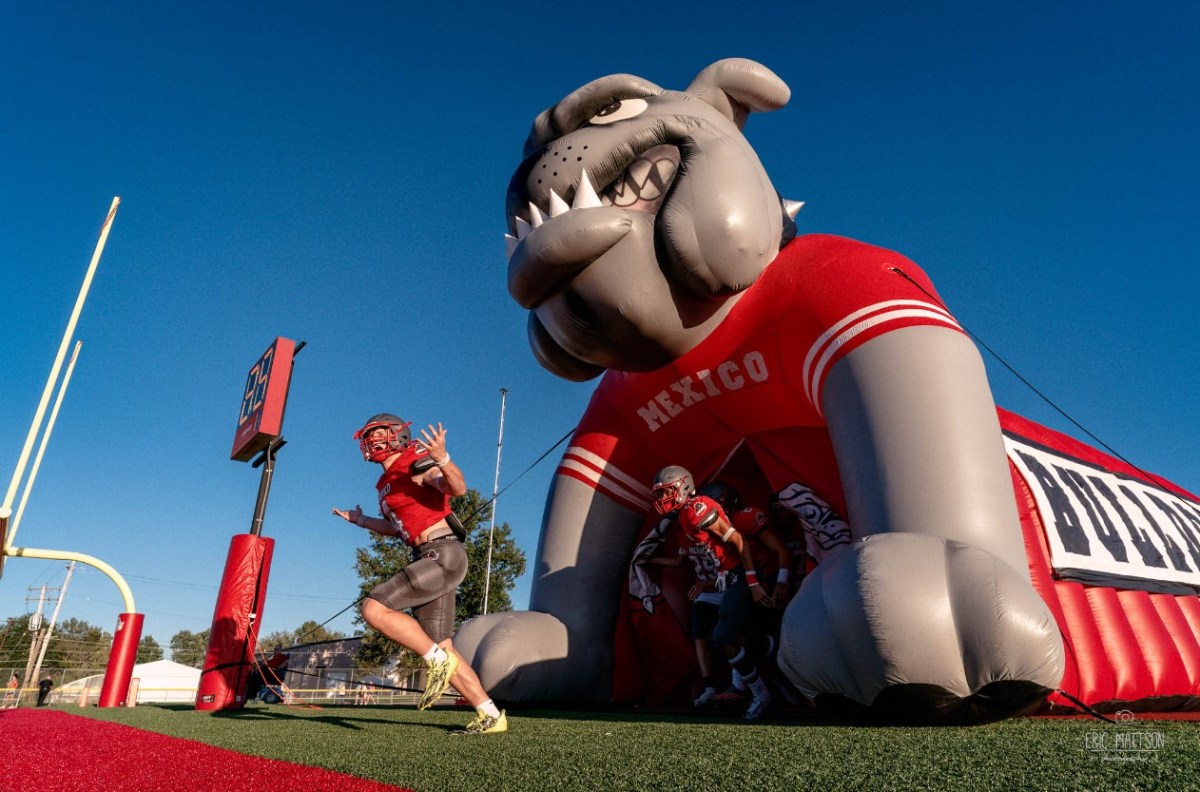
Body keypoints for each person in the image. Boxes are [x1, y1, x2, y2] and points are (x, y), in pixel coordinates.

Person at [333, 413, 506, 735]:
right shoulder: (384, 484)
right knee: (444, 647)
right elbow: (397, 529)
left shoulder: (413, 459)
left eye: (379, 433)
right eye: (368, 435)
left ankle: (435, 660)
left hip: (442, 552)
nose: (372, 440)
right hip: (425, 554)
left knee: (374, 608)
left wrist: (443, 458)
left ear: (398, 434)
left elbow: (455, 487)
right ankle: (490, 714)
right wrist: (360, 520)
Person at [650, 465, 778, 721]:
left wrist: (752, 582)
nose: (662, 499)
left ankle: (762, 694)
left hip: (741, 576)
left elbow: (739, 541)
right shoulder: (683, 520)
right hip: (728, 579)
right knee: (742, 638)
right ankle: (767, 648)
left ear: (683, 487)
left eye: (666, 492)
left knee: (722, 637)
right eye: (659, 494)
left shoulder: (696, 510)